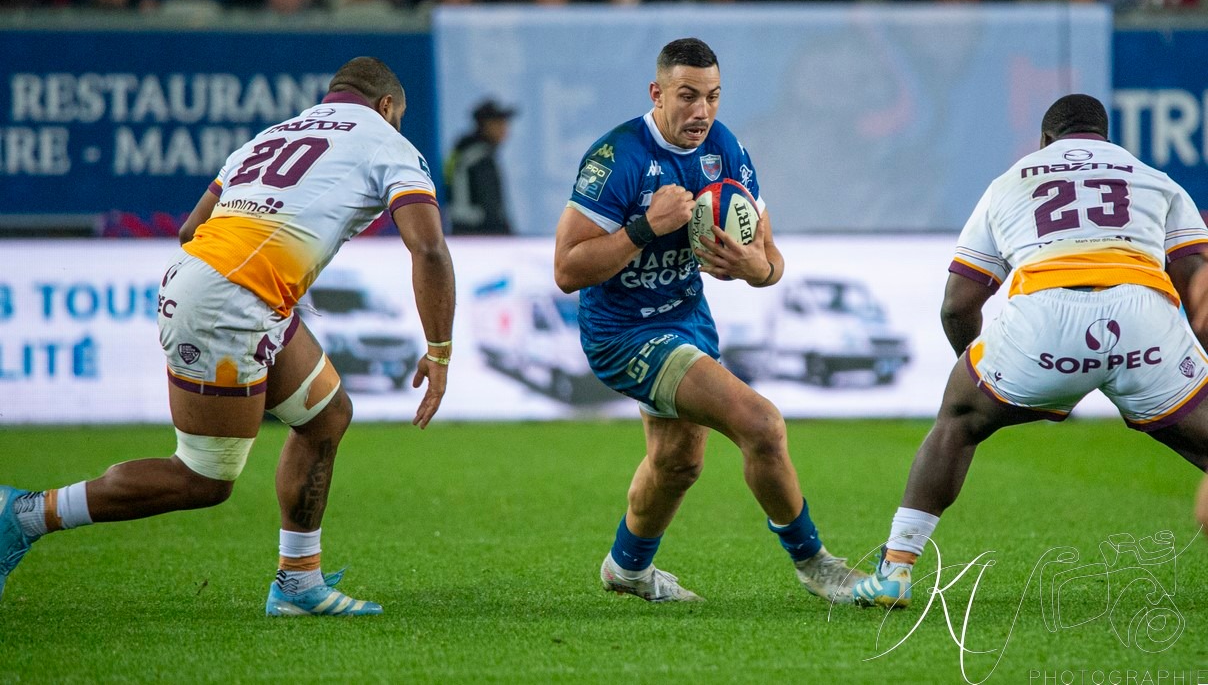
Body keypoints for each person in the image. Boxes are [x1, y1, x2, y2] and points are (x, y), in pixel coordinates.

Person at [0, 57, 457, 616]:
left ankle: (297, 584)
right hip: (230, 300)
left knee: (326, 417)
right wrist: (438, 350)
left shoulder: (273, 134)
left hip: (223, 284)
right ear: (387, 107)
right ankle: (26, 514)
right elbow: (429, 246)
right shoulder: (386, 142)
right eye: (398, 116)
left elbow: (192, 228)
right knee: (203, 477)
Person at [852, 94, 1208, 609]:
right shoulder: (1154, 178)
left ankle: (896, 570)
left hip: (1044, 317)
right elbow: (1198, 289)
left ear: (1044, 140)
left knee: (957, 422)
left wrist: (980, 372)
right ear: (1106, 139)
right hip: (1143, 316)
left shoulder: (1011, 181)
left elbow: (959, 304)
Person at [553, 37, 867, 603]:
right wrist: (645, 227)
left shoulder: (725, 148)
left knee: (677, 461)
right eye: (688, 96)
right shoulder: (616, 157)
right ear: (657, 93)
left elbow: (771, 262)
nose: (702, 112)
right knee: (761, 424)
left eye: (714, 97)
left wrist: (754, 267)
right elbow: (568, 269)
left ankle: (627, 570)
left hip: (688, 321)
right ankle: (816, 564)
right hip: (623, 334)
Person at [444, 99, 516, 236]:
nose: (504, 129)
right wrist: (504, 232)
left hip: (463, 229)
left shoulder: (463, 151)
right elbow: (491, 207)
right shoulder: (479, 156)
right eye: (499, 123)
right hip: (478, 233)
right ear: (486, 125)